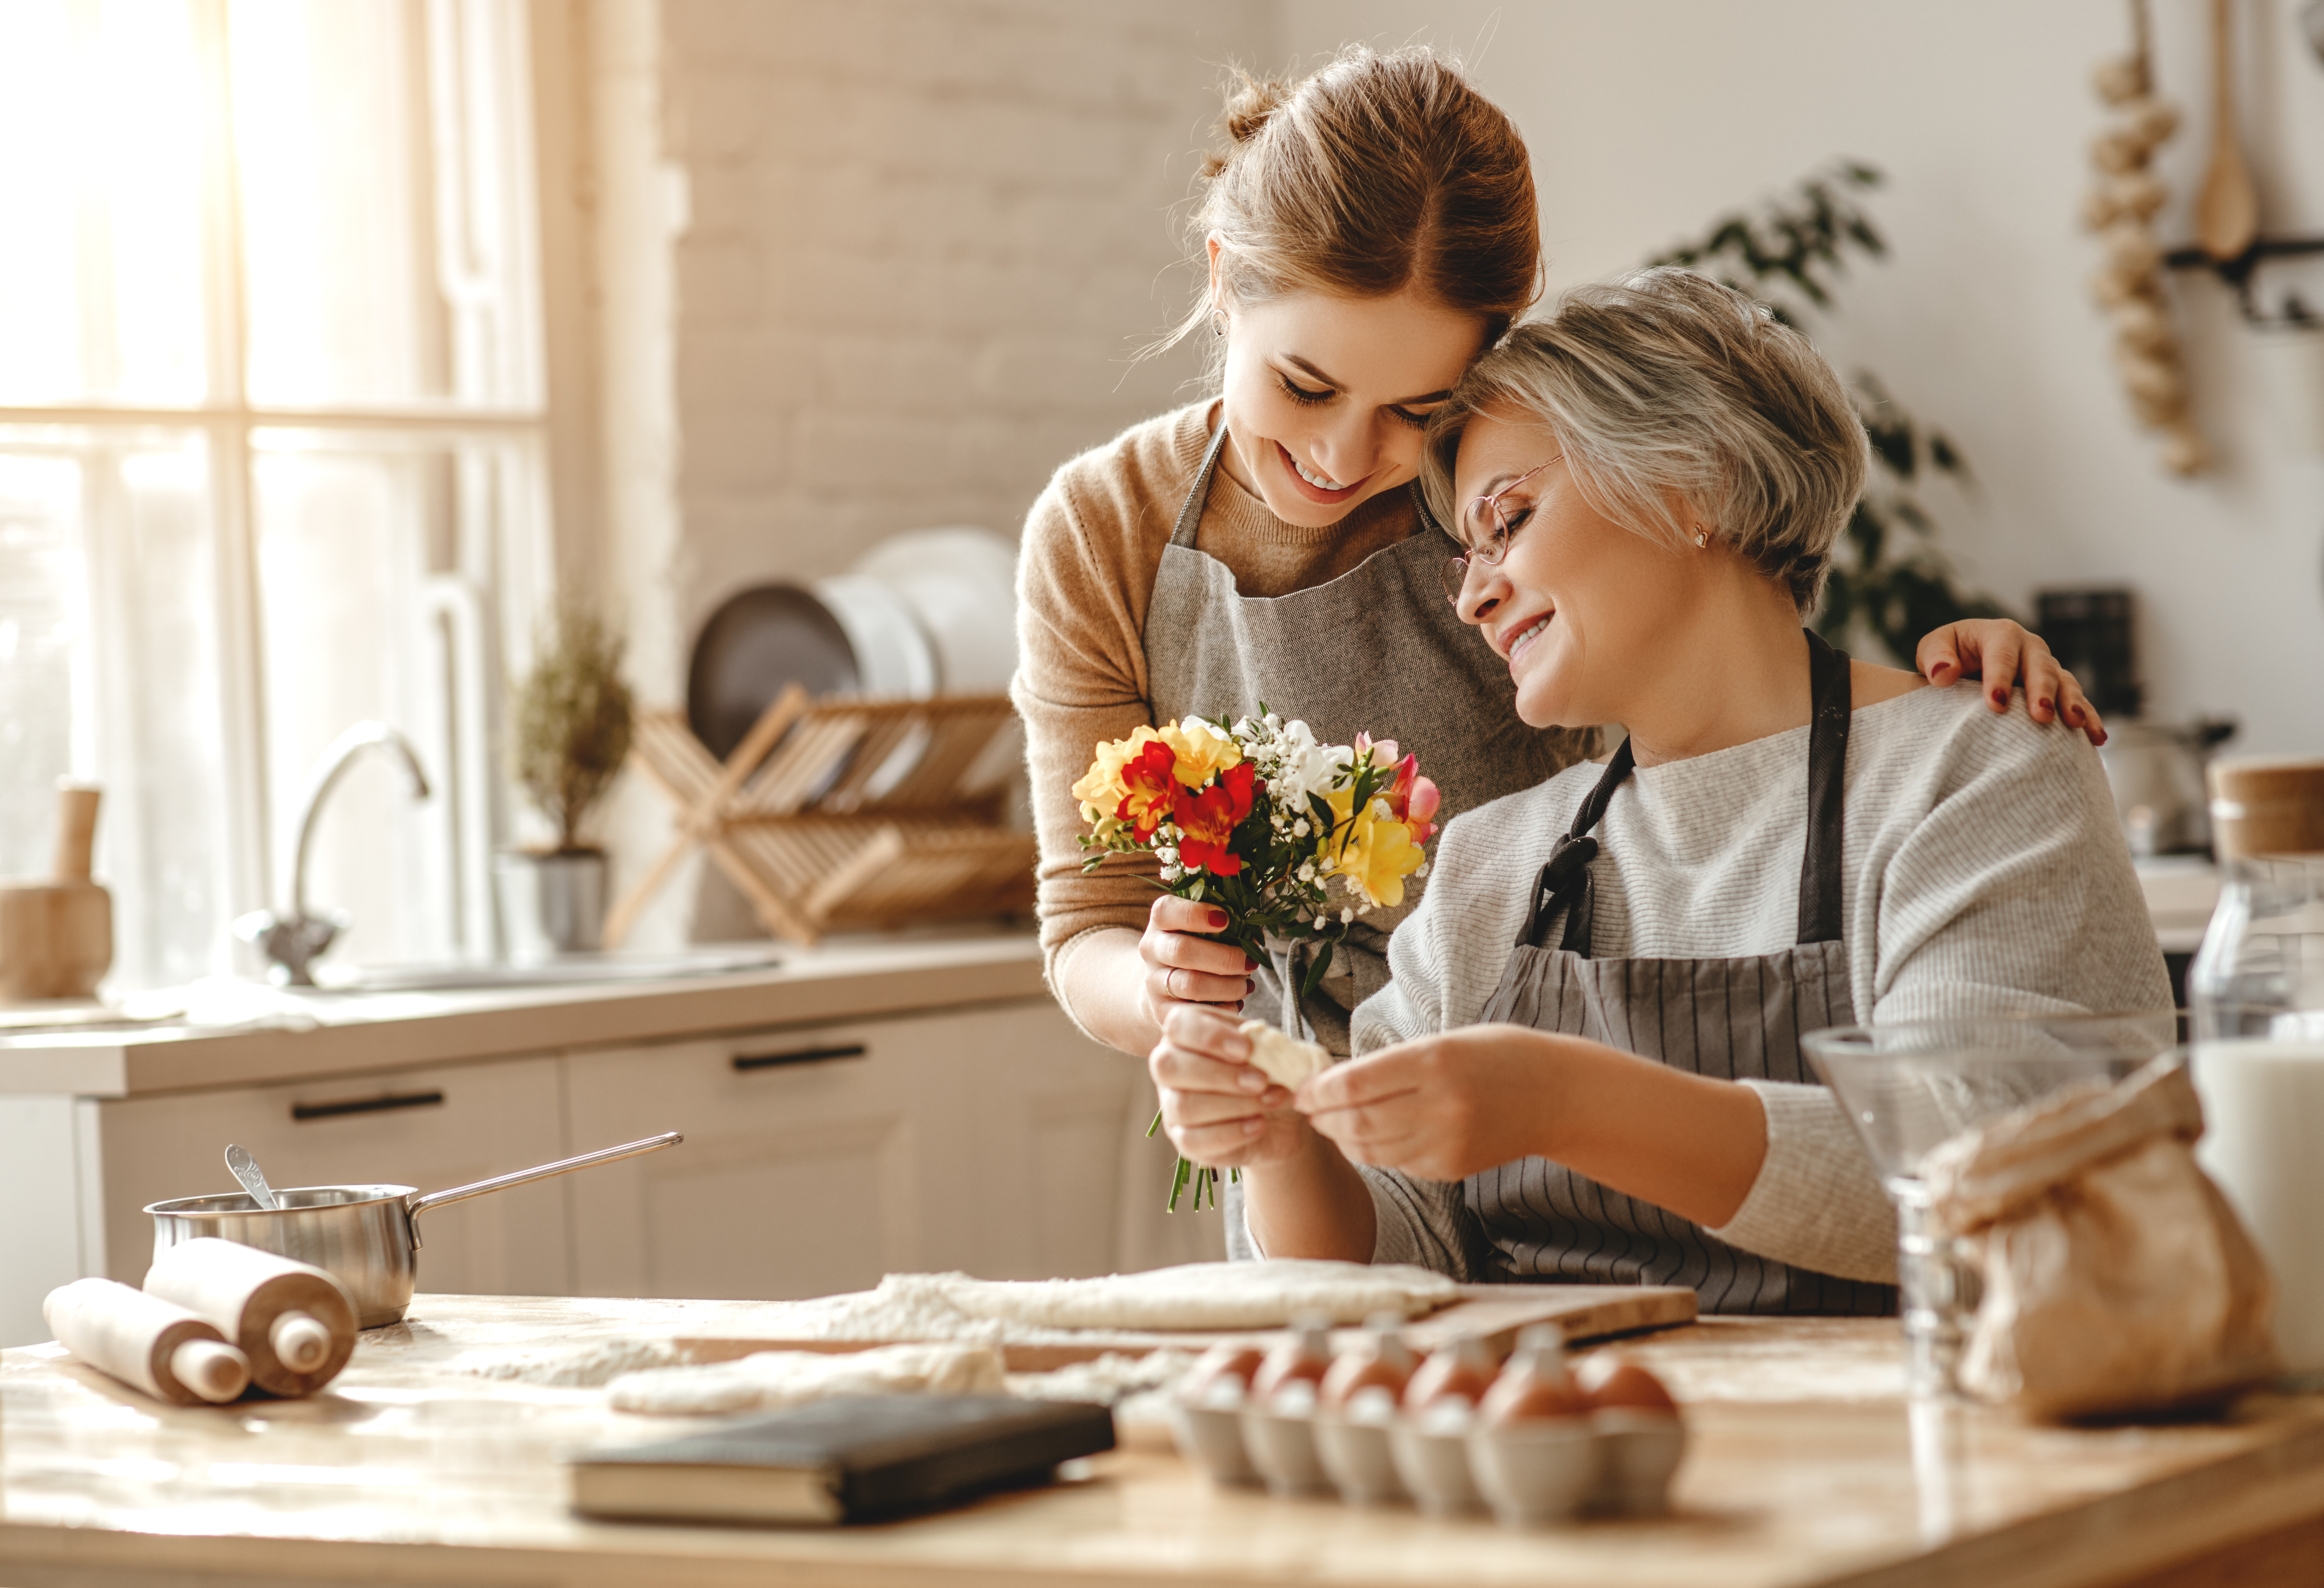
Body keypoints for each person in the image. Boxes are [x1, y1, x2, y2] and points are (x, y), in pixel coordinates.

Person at [1012, 46, 2101, 1239]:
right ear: (1224, 283)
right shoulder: (1108, 534)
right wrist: (1212, 1039)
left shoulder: (1956, 778)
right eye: (1305, 385)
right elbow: (1093, 917)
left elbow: (1728, 700)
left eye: (1418, 414)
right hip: (1348, 1179)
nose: (1339, 456)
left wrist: (1932, 696)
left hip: (1542, 1105)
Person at [1146, 268, 2172, 1307]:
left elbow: (1989, 1169)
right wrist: (1282, 1146)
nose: (1473, 594)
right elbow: (1390, 1257)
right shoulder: (1490, 863)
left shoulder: (1975, 769)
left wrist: (1564, 1098)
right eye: (1466, 553)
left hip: (1908, 1442)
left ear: (1694, 481)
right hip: (1565, 1449)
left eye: (1510, 518)